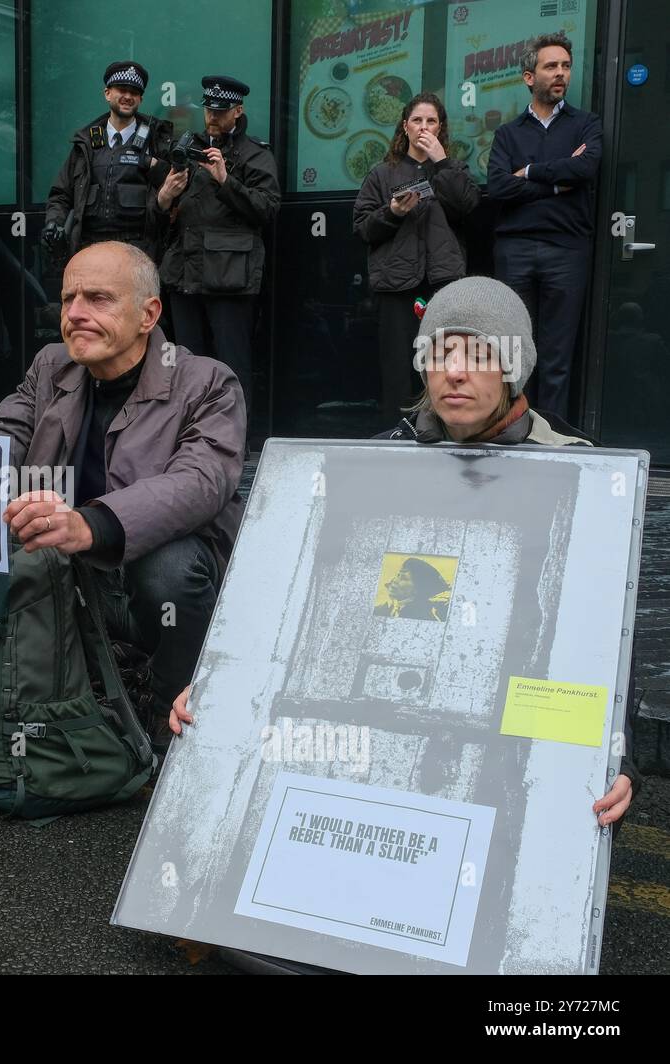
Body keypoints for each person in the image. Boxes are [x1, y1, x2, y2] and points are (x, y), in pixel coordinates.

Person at [171, 275, 639, 829]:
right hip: (363, 725)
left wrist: (617, 753)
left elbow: (602, 637)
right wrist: (218, 680)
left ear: (515, 370)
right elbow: (281, 592)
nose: (455, 372)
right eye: (440, 354)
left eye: (480, 355)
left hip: (507, 732)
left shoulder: (581, 474)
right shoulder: (371, 464)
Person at [0, 241, 246, 750]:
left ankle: (166, 706)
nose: (74, 314)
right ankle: (38, 698)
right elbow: (3, 435)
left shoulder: (207, 381)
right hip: (71, 573)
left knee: (170, 567)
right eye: (68, 299)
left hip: (142, 581)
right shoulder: (53, 365)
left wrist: (91, 524)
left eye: (98, 299)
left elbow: (202, 482)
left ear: (148, 313)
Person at [487, 32, 601, 418]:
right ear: (528, 77)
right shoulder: (508, 133)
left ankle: (549, 438)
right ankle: (513, 430)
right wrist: (556, 184)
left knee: (556, 356)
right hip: (514, 249)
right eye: (551, 66)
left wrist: (532, 172)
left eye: (566, 66)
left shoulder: (586, 124)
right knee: (514, 352)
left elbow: (584, 168)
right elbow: (499, 188)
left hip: (567, 250)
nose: (560, 74)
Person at [155, 75, 280, 411]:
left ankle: (233, 443)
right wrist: (164, 198)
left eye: (221, 111)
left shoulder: (255, 155)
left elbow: (267, 208)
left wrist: (226, 180)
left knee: (231, 365)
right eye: (209, 109)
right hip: (184, 274)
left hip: (230, 276)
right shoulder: (187, 148)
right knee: (185, 365)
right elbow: (160, 217)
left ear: (237, 111)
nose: (212, 116)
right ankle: (188, 438)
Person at [353, 92, 480, 421]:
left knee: (443, 365)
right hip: (397, 285)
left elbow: (468, 207)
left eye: (432, 121)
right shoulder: (382, 174)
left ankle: (441, 431)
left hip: (443, 284)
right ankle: (397, 436)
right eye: (417, 120)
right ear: (405, 127)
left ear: (441, 128)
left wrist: (442, 163)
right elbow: (363, 229)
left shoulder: (453, 168)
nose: (424, 127)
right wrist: (392, 212)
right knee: (397, 368)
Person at [43, 61, 173, 259]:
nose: (128, 97)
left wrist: (152, 164)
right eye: (122, 90)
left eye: (134, 92)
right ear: (107, 93)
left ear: (141, 99)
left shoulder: (157, 139)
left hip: (138, 249)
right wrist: (54, 223)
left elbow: (174, 187)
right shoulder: (85, 142)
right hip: (90, 247)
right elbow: (61, 194)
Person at [373, 557, 450, 621]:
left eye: (403, 578)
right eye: (398, 575)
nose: (394, 580)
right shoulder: (384, 609)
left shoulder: (421, 616)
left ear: (417, 589)